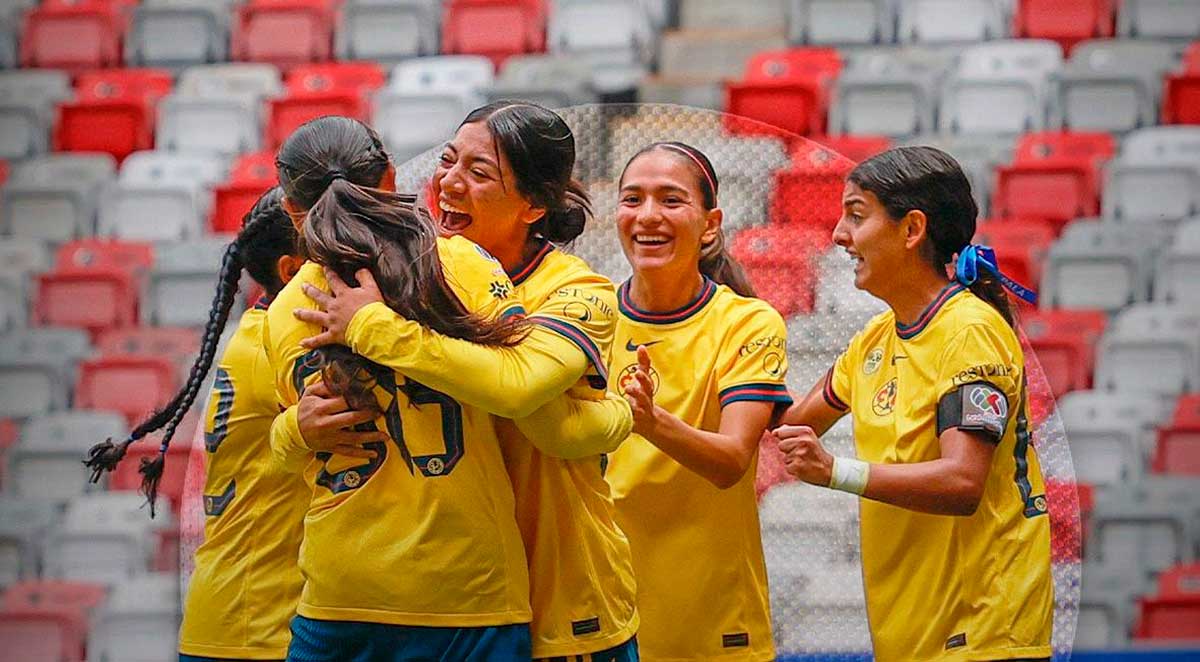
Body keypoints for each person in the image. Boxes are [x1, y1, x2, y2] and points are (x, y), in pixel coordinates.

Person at [266, 115, 632, 661]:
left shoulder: (575, 289)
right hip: (467, 600)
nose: (448, 183)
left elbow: (529, 401)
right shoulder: (421, 272)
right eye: (446, 160)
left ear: (535, 205)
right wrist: (296, 428)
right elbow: (287, 432)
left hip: (565, 597)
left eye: (479, 171)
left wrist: (622, 415)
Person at [772, 146, 1052, 662]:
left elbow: (962, 482)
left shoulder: (969, 332)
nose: (838, 235)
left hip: (984, 634)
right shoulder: (875, 340)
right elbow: (787, 423)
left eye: (856, 215)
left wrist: (835, 471)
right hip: (911, 635)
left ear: (911, 229)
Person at [83, 187, 311, 661]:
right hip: (258, 628)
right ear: (292, 270)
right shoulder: (280, 347)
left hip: (237, 616)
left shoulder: (257, 334)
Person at [608, 142, 791, 661]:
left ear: (710, 224)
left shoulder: (747, 323)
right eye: (632, 199)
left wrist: (651, 422)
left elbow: (732, 460)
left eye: (670, 200)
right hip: (604, 619)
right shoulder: (588, 317)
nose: (648, 216)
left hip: (714, 625)